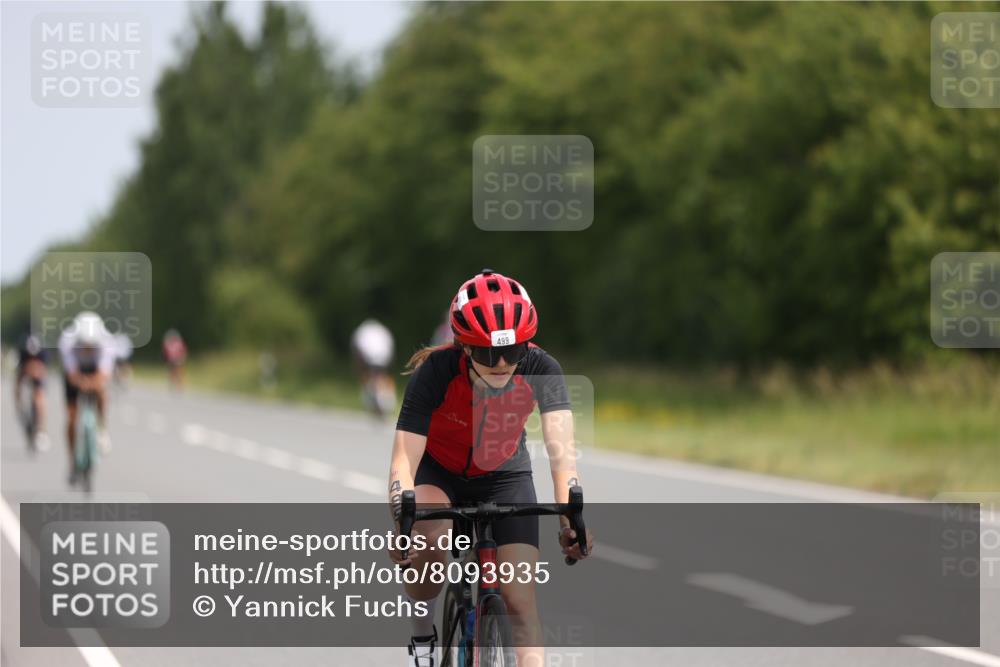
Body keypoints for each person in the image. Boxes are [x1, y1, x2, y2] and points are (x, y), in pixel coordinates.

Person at [388, 269, 593, 667]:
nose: (500, 363)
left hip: (504, 476)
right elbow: (403, 459)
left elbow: (562, 456)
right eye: (486, 353)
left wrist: (571, 520)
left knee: (519, 600)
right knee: (429, 541)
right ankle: (422, 634)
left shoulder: (543, 369)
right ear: (463, 347)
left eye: (512, 351)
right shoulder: (435, 372)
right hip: (439, 472)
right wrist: (402, 519)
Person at [58, 312, 115, 483]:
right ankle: (72, 462)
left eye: (92, 346)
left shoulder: (107, 343)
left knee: (102, 392)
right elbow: (71, 374)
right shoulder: (67, 342)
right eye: (84, 345)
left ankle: (102, 427)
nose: (88, 348)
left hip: (94, 369)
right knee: (72, 418)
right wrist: (81, 382)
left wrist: (93, 383)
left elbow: (104, 374)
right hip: (76, 371)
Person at [351, 318, 396, 418]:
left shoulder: (361, 332)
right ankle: (384, 400)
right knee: (381, 375)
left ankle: (377, 401)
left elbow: (357, 352)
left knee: (370, 377)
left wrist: (359, 367)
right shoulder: (382, 330)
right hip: (384, 355)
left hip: (369, 355)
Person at [15, 333, 50, 451]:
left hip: (39, 374)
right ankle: (20, 407)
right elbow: (19, 375)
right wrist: (18, 397)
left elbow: (44, 371)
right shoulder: (22, 353)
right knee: (17, 387)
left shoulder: (43, 354)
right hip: (24, 370)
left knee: (39, 398)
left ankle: (41, 429)